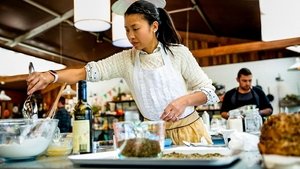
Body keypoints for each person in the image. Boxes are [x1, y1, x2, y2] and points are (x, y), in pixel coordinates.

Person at [26, 0, 219, 145]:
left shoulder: (178, 53)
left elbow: (209, 92)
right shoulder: (126, 59)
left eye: (135, 28)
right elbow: (84, 72)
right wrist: (51, 76)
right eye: (126, 30)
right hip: (153, 137)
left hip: (190, 133)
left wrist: (183, 101)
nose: (130, 36)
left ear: (154, 26)